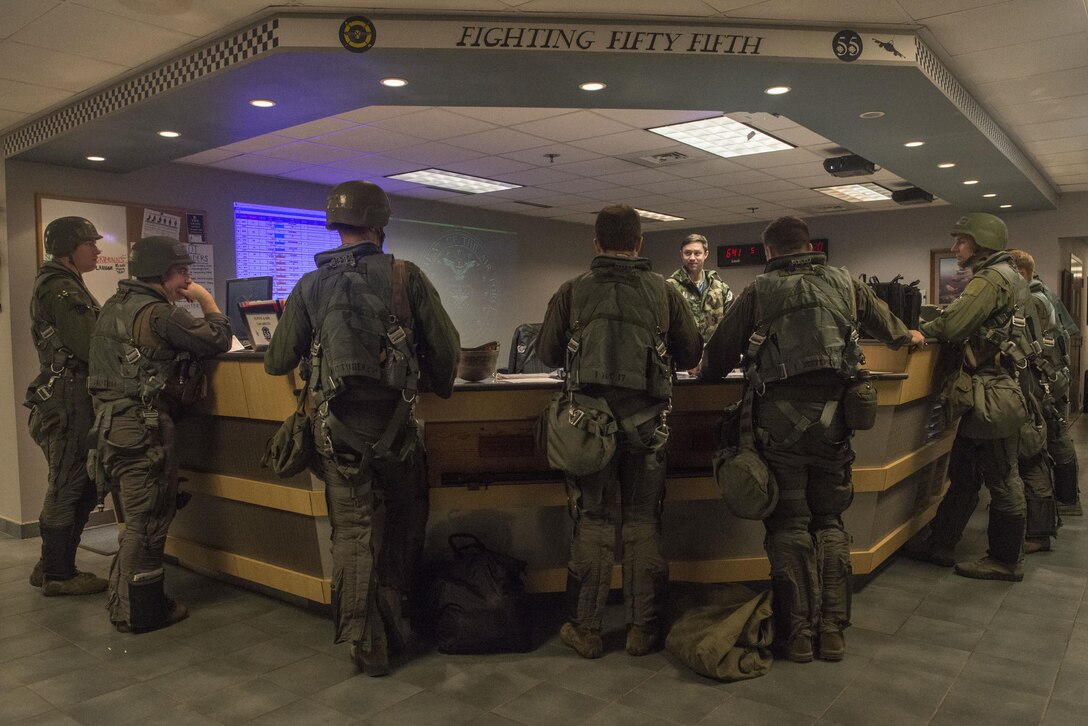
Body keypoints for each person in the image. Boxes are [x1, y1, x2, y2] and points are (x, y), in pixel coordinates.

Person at [700, 216, 921, 663]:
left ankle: (798, 635)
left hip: (778, 428)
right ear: (809, 245)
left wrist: (706, 371)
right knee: (830, 521)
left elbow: (717, 359)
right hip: (836, 424)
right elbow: (893, 329)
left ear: (769, 251)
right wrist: (910, 335)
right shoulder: (846, 283)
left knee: (788, 524)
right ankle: (833, 631)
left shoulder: (759, 291)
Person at [265, 180, 460, 676]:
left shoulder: (310, 285)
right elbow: (445, 350)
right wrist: (437, 385)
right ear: (380, 223)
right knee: (406, 514)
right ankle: (393, 607)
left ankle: (366, 640)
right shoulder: (405, 276)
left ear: (337, 225)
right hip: (398, 431)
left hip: (337, 435)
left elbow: (277, 360)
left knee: (351, 533)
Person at [539, 204, 702, 659]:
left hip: (586, 431)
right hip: (647, 430)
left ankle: (587, 630)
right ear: (639, 242)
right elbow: (691, 354)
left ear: (596, 243)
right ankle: (641, 630)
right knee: (642, 522)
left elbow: (547, 353)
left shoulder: (573, 291)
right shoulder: (665, 292)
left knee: (592, 521)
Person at [88, 236, 232, 632]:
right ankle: (139, 611)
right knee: (147, 518)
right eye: (182, 272)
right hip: (142, 428)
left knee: (138, 517)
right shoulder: (160, 314)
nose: (187, 280)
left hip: (111, 426)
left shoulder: (112, 307)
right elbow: (218, 339)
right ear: (162, 272)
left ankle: (128, 602)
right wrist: (206, 300)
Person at [905, 213, 1033, 582]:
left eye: (961, 241)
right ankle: (941, 544)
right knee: (963, 472)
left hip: (992, 391)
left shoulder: (990, 278)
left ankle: (1006, 560)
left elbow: (953, 325)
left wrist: (920, 330)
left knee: (1002, 478)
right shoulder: (1013, 276)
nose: (955, 247)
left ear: (981, 244)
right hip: (994, 388)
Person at [26, 217, 107, 596]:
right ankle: (59, 574)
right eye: (89, 243)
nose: (97, 250)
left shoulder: (61, 282)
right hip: (69, 398)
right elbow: (89, 346)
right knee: (68, 484)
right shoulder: (62, 288)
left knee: (80, 484)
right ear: (67, 249)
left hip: (68, 395)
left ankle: (51, 564)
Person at [1008, 249, 1063, 553]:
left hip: (1033, 382)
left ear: (1021, 272)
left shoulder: (1033, 301)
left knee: (1031, 455)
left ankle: (1040, 531)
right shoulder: (1040, 297)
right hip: (1037, 381)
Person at [666, 233, 733, 341]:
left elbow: (733, 324)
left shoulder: (720, 289)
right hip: (681, 350)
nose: (692, 258)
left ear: (705, 254)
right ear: (681, 255)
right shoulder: (670, 288)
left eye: (697, 253)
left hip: (714, 350)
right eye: (687, 253)